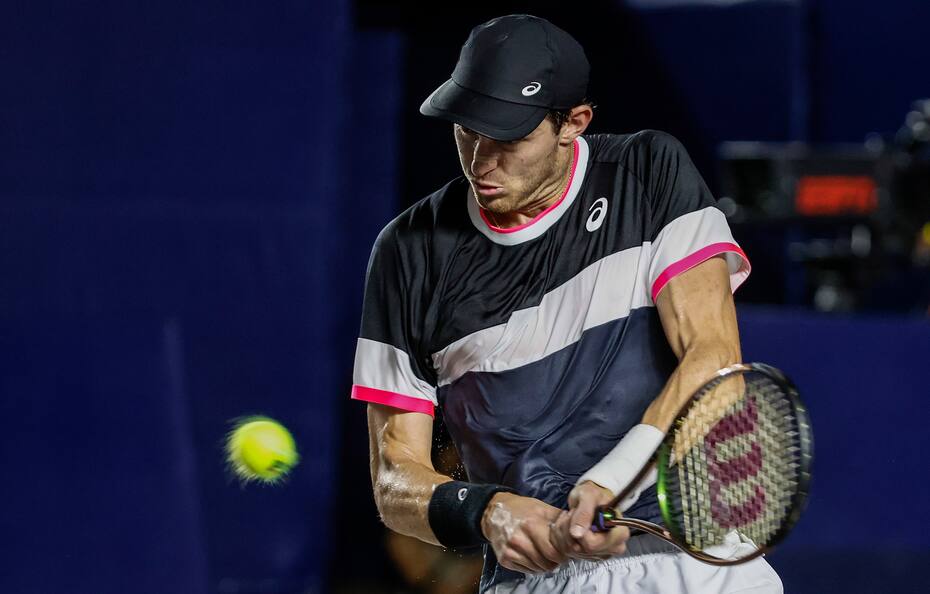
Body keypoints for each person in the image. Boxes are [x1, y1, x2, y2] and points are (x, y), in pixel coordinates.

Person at [351, 13, 781, 594]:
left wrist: (611, 484)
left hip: (697, 564)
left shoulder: (647, 172)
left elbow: (715, 364)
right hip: (534, 581)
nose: (480, 161)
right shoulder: (408, 252)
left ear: (573, 123)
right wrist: (488, 510)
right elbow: (393, 478)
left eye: (507, 137)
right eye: (467, 131)